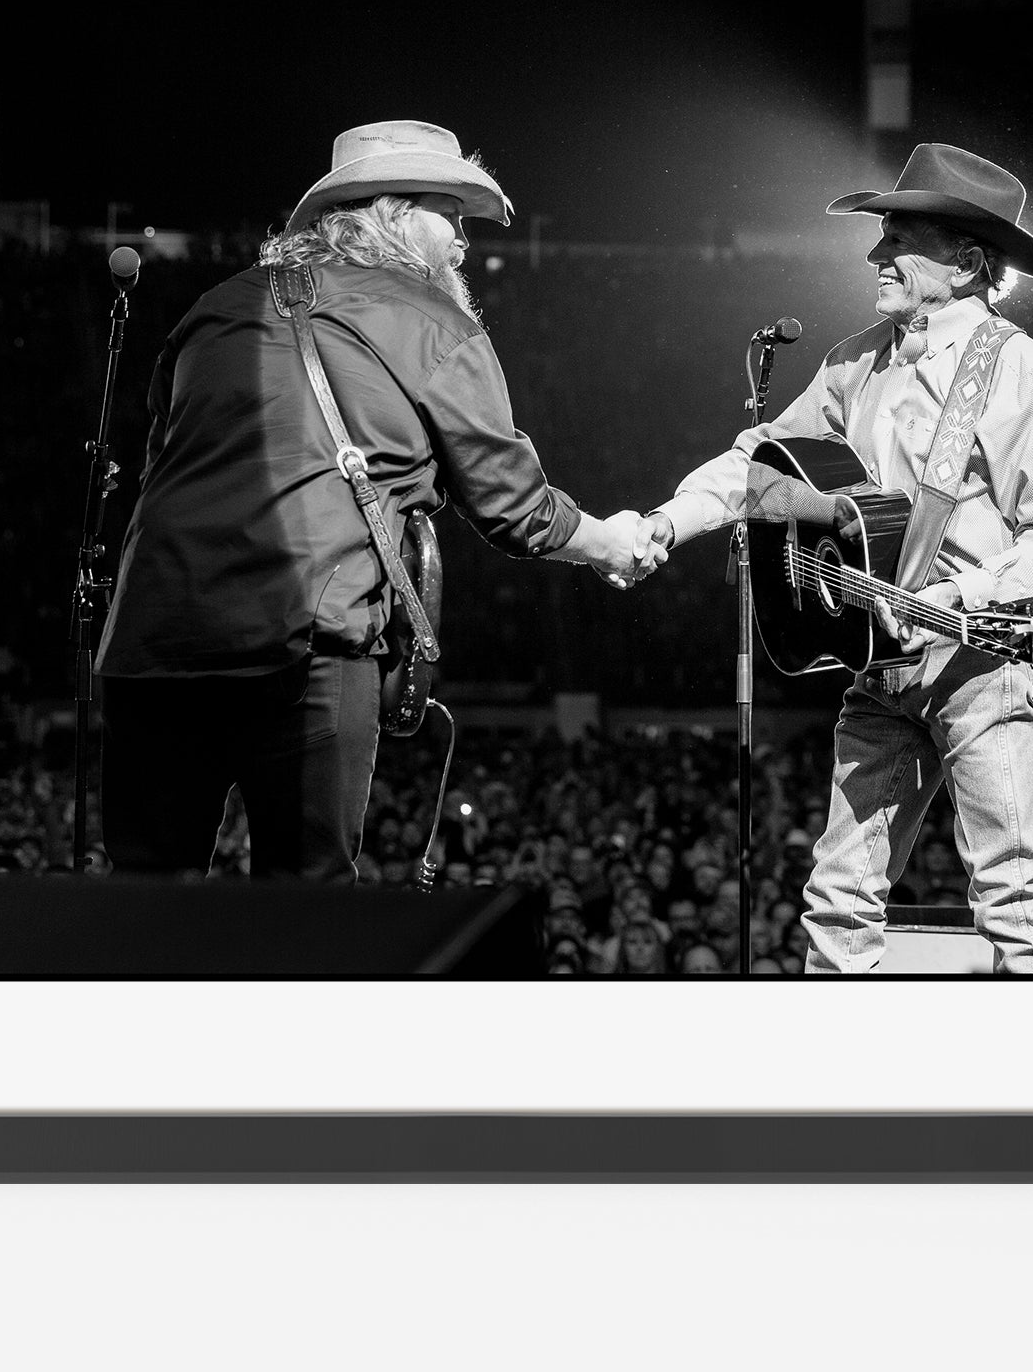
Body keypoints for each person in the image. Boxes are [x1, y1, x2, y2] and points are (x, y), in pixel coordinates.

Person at [93, 120, 655, 875]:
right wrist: (607, 542)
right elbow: (510, 505)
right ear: (390, 212)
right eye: (449, 213)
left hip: (151, 644)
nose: (463, 240)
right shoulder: (430, 319)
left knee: (141, 916)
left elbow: (160, 461)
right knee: (307, 919)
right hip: (304, 646)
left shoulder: (213, 307)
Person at [623, 144, 1033, 972]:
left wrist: (960, 592)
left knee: (1011, 898)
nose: (875, 255)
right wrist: (670, 521)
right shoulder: (855, 359)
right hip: (878, 665)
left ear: (967, 262)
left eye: (899, 239)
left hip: (981, 664)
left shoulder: (1021, 372)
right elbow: (760, 465)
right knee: (838, 897)